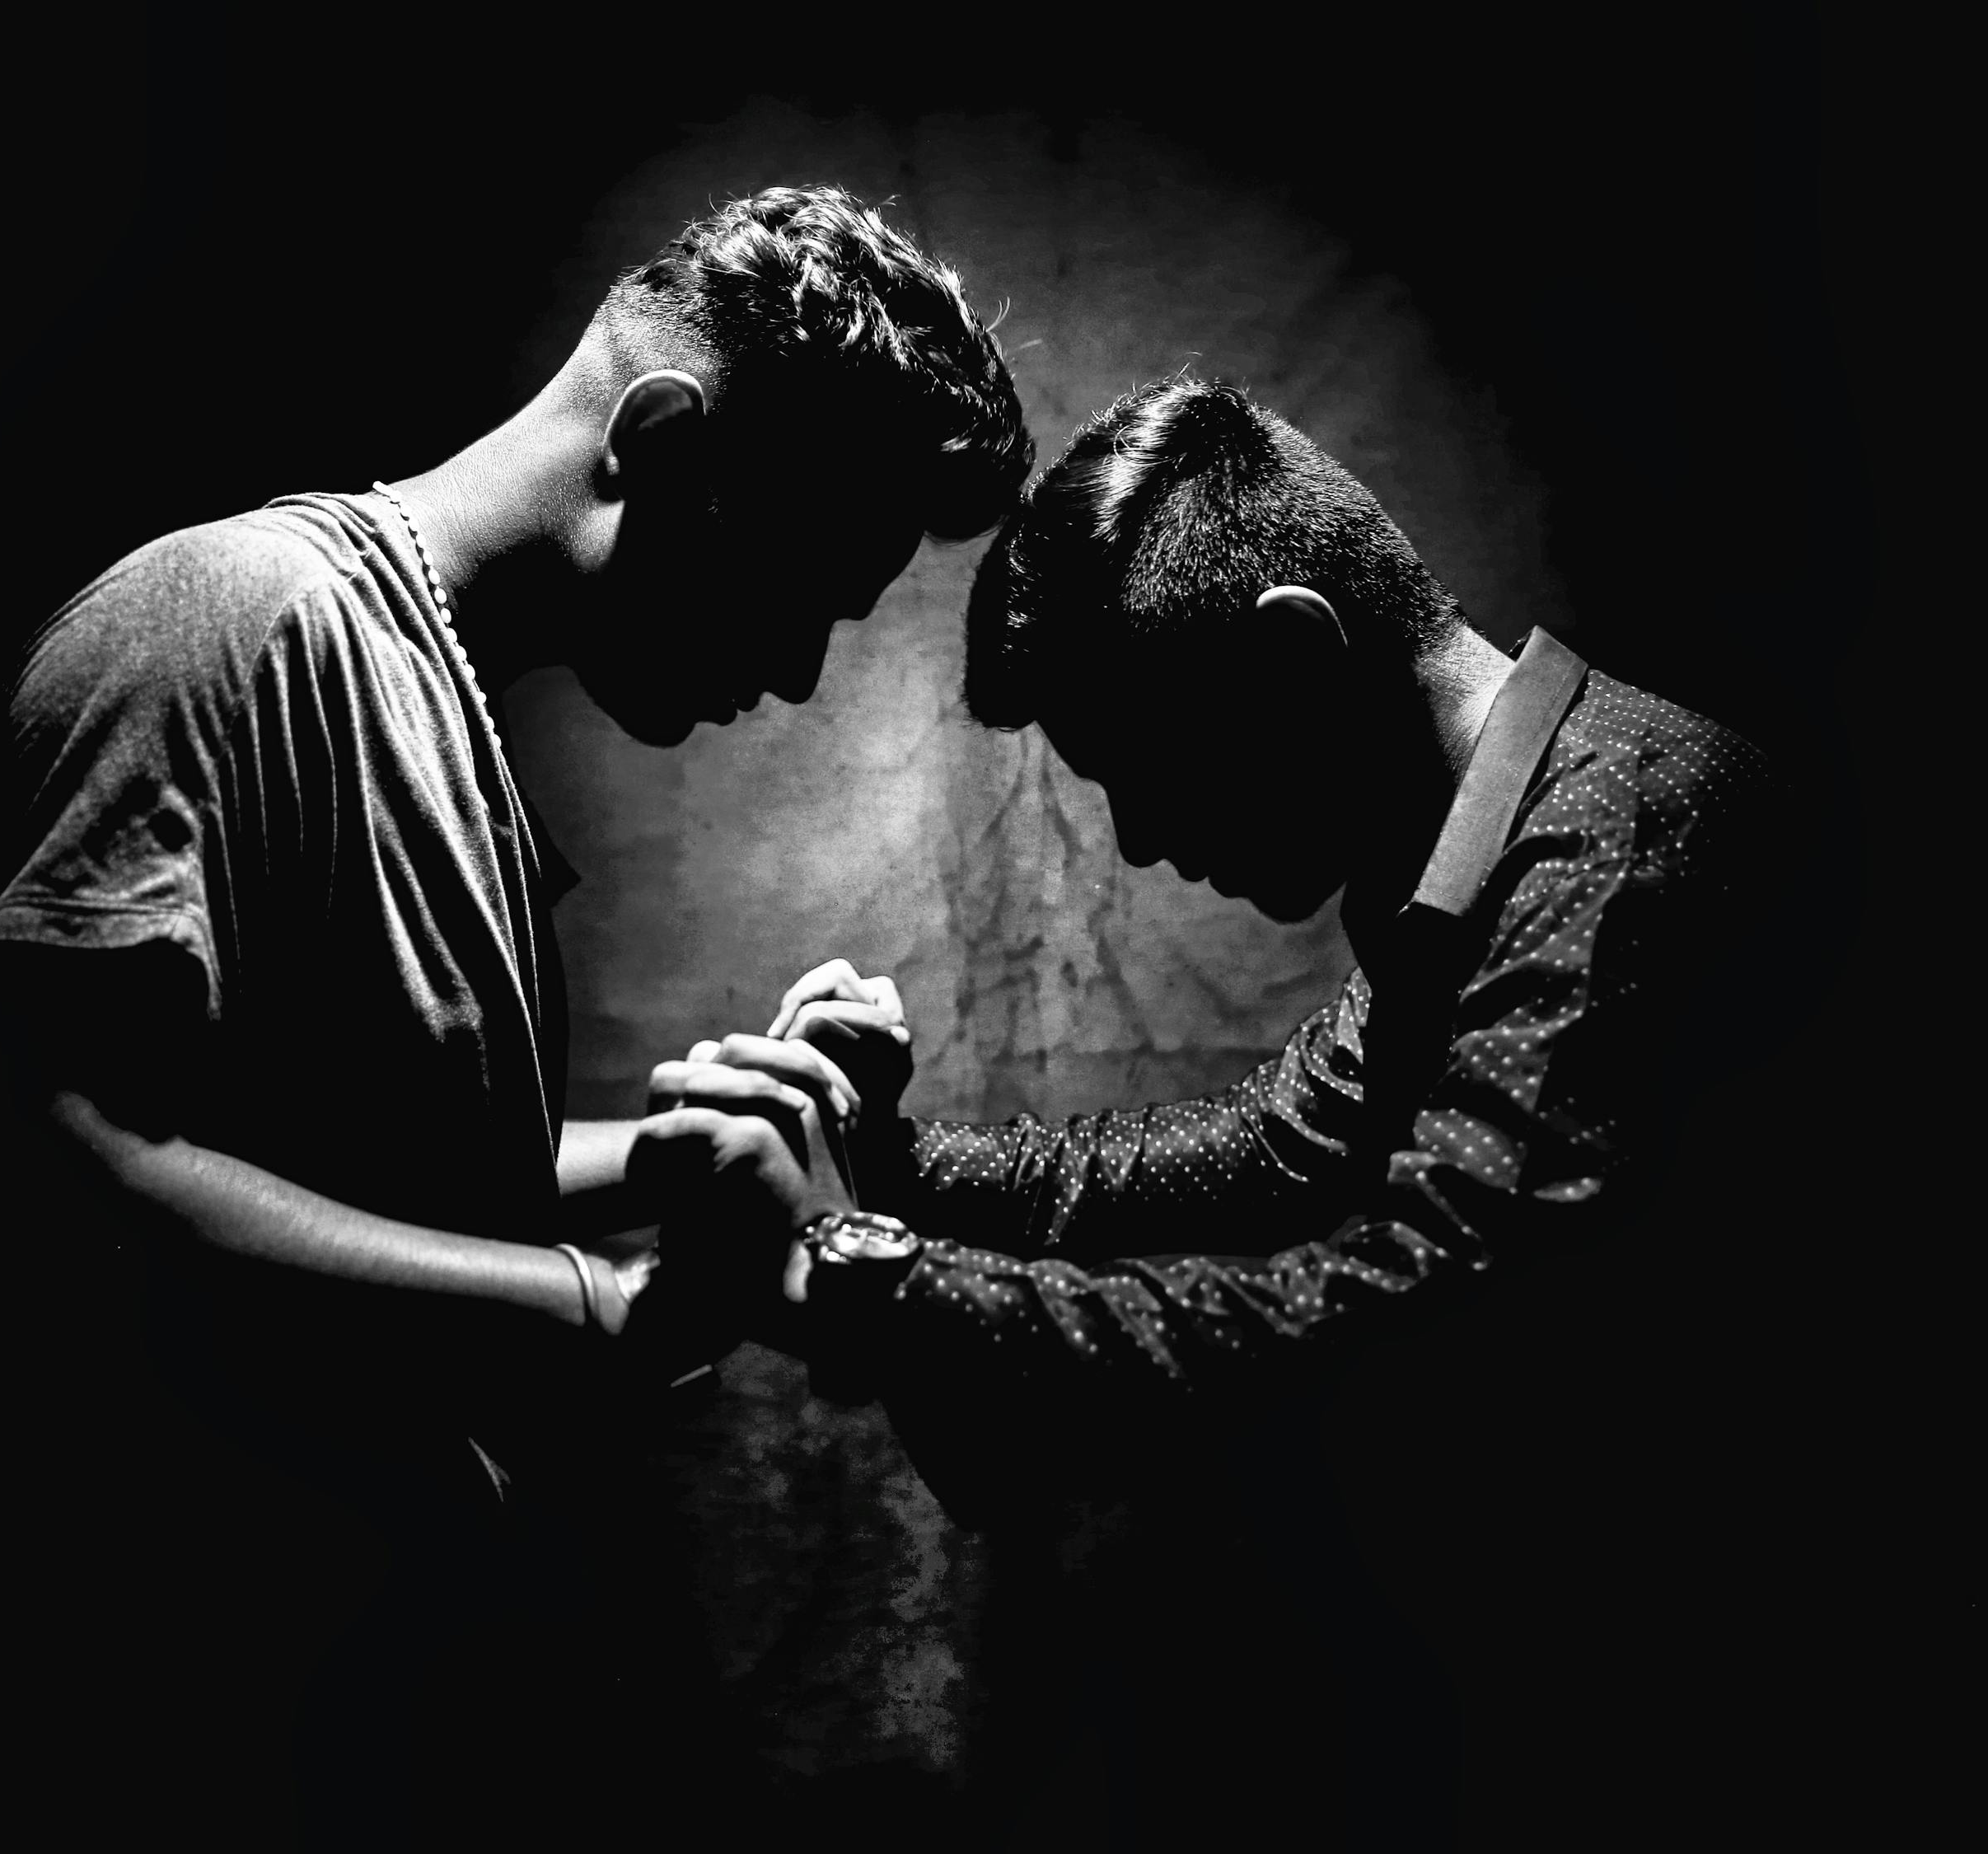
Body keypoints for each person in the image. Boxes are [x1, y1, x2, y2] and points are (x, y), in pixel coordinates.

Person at [0, 185, 1030, 1847]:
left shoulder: (442, 705)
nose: (802, 673)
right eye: (805, 584)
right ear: (663, 443)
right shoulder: (227, 621)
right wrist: (599, 1307)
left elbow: (374, 1163)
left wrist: (670, 1156)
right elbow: (75, 1154)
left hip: (394, 1679)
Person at [667, 374, 1776, 1841]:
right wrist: (888, 1156)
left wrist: (857, 1265)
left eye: (1146, 764)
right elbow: (1269, 1146)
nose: (1138, 841)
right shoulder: (1495, 847)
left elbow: (1396, 1322)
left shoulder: (1607, 858)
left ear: (1294, 656)